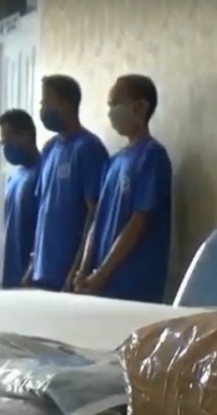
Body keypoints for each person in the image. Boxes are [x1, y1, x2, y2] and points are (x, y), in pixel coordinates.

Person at [74, 74, 172, 303]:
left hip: (134, 283)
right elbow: (98, 220)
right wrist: (85, 269)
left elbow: (138, 221)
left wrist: (103, 273)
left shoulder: (151, 156)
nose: (111, 112)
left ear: (139, 108)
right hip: (101, 284)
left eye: (115, 104)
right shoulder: (114, 161)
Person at [25, 74, 109, 290]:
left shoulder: (88, 148)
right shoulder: (49, 149)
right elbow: (44, 211)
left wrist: (77, 270)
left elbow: (94, 213)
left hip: (67, 273)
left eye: (46, 101)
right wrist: (32, 266)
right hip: (43, 270)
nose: (42, 108)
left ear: (66, 103)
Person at [0, 109, 41, 288]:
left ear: (26, 135)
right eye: (3, 144)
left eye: (9, 141)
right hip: (12, 274)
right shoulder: (15, 178)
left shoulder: (44, 172)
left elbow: (47, 228)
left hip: (32, 276)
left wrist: (31, 269)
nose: (6, 148)